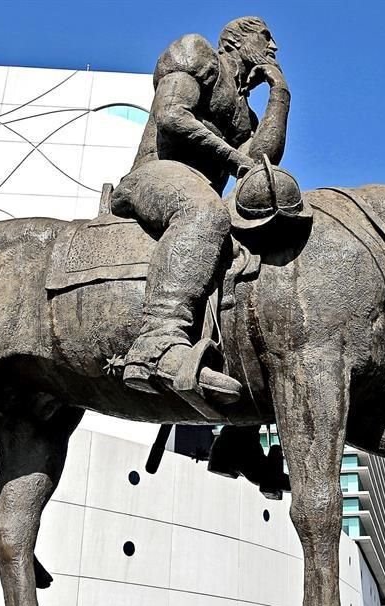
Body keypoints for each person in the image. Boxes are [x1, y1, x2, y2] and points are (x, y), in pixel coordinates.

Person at [110, 16, 290, 403]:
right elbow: (172, 115)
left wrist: (280, 93)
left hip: (202, 189)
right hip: (156, 177)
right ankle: (156, 342)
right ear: (235, 41)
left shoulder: (247, 113)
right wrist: (230, 157)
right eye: (266, 37)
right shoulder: (197, 52)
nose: (274, 47)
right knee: (206, 214)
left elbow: (259, 162)